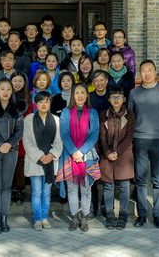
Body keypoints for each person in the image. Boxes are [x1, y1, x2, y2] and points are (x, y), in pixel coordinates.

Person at [127, 60, 159, 229]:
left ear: (155, 72)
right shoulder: (134, 93)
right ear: (140, 73)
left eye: (150, 70)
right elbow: (130, 119)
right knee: (140, 179)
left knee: (158, 179)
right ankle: (141, 214)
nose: (147, 73)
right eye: (143, 71)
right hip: (139, 140)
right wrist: (130, 141)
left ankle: (158, 214)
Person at [0, 79, 26, 234]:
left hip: (11, 152)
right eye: (2, 89)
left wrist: (9, 144)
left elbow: (19, 131)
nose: (5, 92)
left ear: (12, 91)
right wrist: (0, 144)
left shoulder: (17, 109)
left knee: (7, 187)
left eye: (8, 89)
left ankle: (4, 218)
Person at [56, 83, 100, 232]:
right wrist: (74, 152)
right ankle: (74, 217)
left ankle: (84, 217)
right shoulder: (66, 112)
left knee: (86, 189)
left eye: (82, 92)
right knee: (72, 189)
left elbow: (94, 134)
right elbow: (64, 133)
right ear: (72, 96)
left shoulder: (93, 112)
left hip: (86, 156)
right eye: (77, 93)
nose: (80, 96)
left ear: (87, 95)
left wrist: (81, 152)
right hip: (70, 155)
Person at [23, 91, 63, 230]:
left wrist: (51, 155)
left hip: (50, 161)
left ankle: (45, 218)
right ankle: (37, 219)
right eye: (41, 101)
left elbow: (59, 141)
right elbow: (27, 141)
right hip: (35, 161)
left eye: (47, 101)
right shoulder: (29, 119)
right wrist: (40, 155)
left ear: (50, 103)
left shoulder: (56, 120)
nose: (44, 104)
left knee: (46, 192)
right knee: (36, 191)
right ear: (36, 104)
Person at [99, 86, 135, 230]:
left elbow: (129, 136)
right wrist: (108, 152)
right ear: (109, 99)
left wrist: (117, 151)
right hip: (107, 153)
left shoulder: (129, 114)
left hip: (124, 154)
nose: (116, 99)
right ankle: (110, 214)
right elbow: (102, 135)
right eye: (113, 97)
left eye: (119, 97)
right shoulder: (104, 114)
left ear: (124, 99)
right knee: (108, 185)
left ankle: (123, 214)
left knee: (124, 185)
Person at [11, 72, 33, 205]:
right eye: (15, 81)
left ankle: (20, 188)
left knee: (20, 162)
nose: (17, 83)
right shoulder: (7, 95)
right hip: (9, 133)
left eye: (20, 81)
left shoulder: (28, 97)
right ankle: (11, 187)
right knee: (10, 161)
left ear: (24, 82)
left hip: (24, 134)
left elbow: (29, 116)